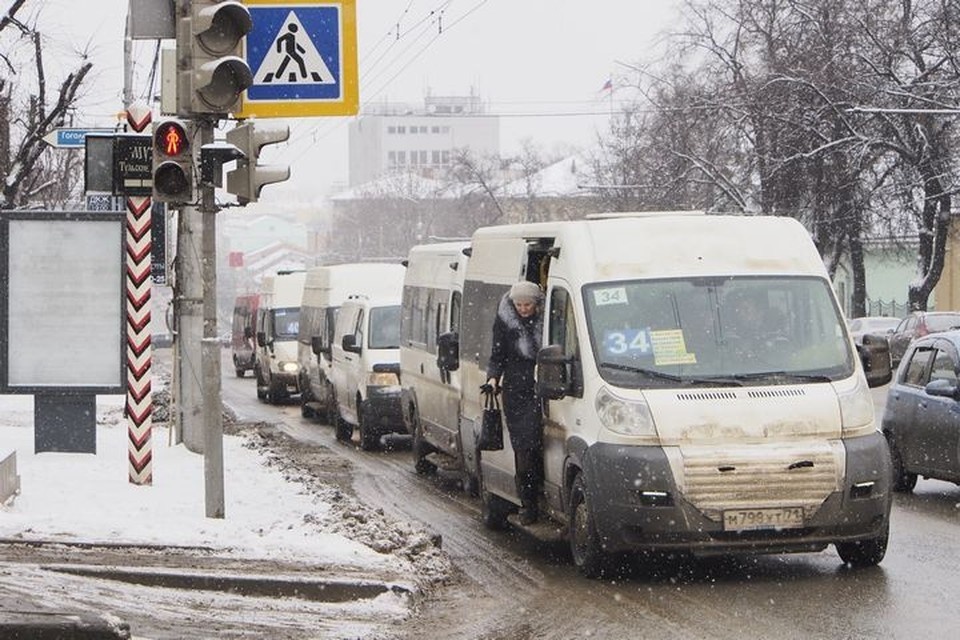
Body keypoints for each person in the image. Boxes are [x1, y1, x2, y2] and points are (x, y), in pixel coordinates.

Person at [485, 280, 545, 525]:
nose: (523, 309)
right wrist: (492, 379)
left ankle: (539, 494)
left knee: (541, 445)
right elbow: (497, 354)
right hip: (517, 389)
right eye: (519, 304)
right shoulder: (504, 321)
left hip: (544, 384)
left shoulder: (549, 319)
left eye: (527, 304)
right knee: (525, 447)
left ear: (537, 304)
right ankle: (529, 503)